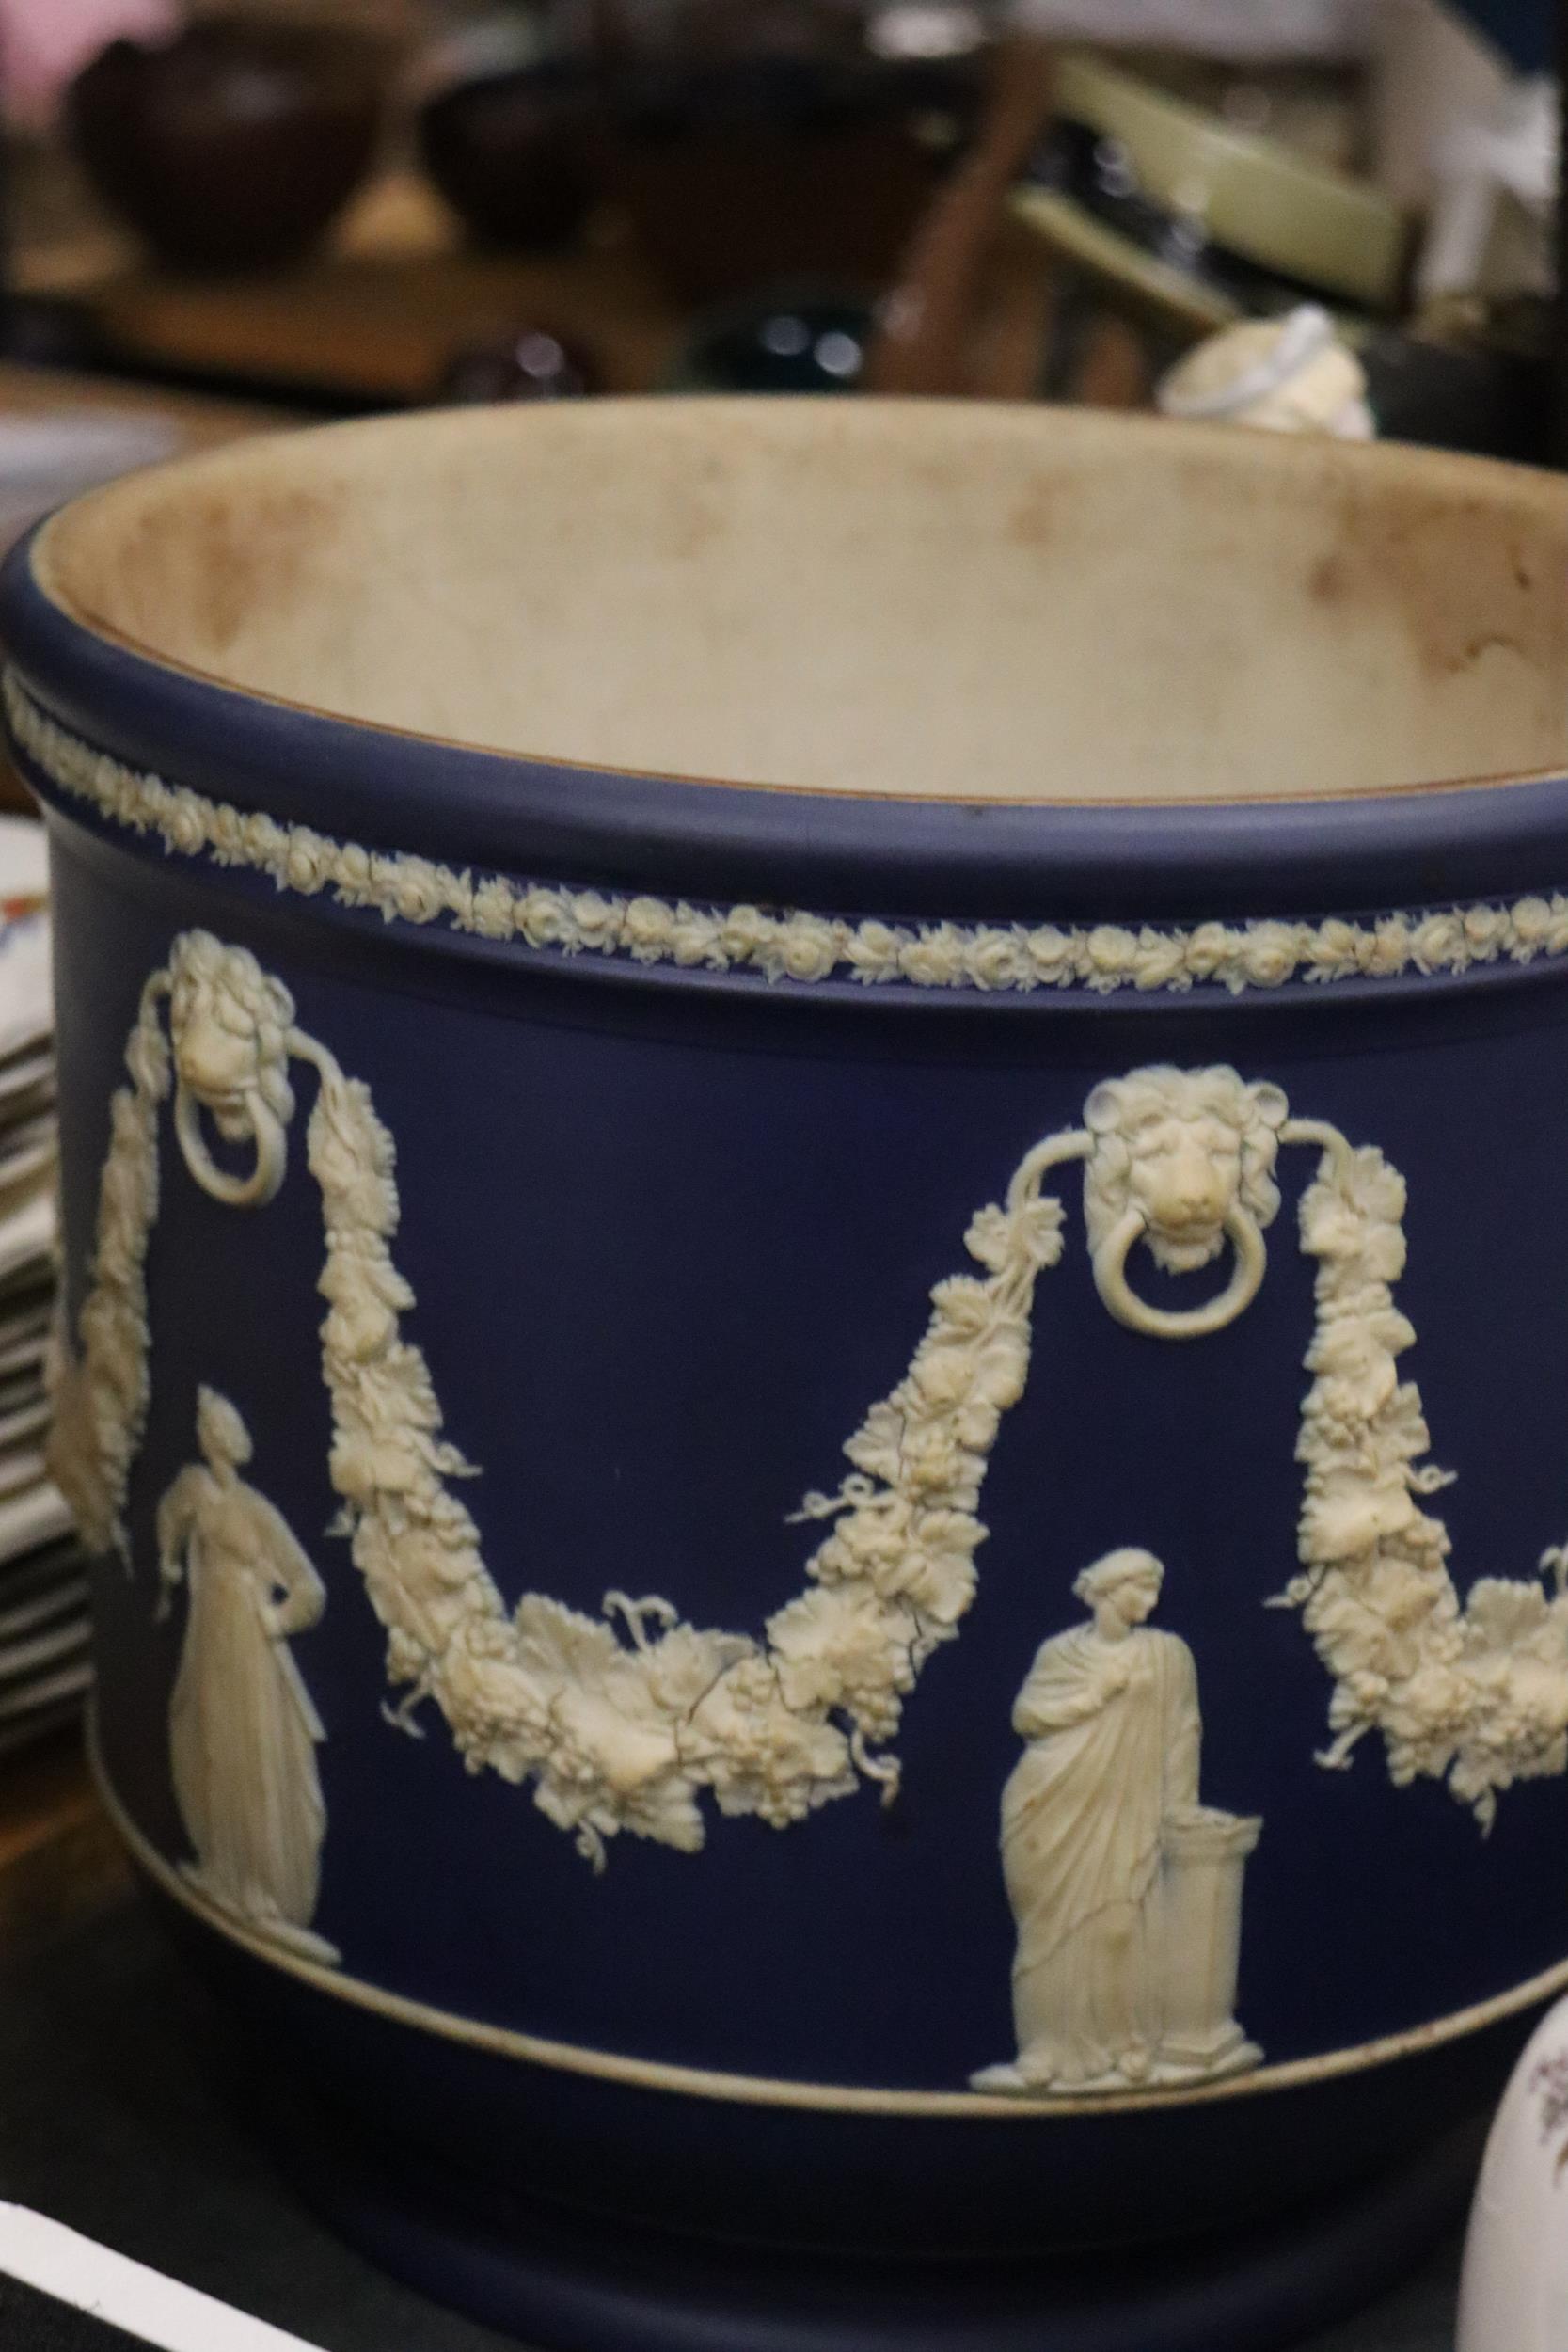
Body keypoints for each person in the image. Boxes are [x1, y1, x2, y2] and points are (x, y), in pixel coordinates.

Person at [973, 1547, 1200, 2092]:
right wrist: (1091, 1697)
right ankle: (1042, 2050)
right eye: (1138, 1588)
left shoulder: (1169, 1654)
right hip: (1050, 1800)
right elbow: (1026, 1715)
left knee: (1120, 1927)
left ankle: (1125, 2041)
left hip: (1128, 1806)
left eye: (1153, 1589)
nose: (1149, 1600)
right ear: (1105, 1590)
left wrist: (1181, 1808)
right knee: (1045, 1932)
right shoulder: (1061, 1653)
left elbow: (1183, 1731)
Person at [157, 1386, 337, 1965]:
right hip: (211, 1635)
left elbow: (310, 1587)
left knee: (255, 1759)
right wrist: (166, 1558)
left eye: (228, 1432)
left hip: (251, 1645)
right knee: (217, 1747)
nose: (224, 1441)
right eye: (220, 1432)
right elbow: (169, 1516)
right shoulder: (197, 1491)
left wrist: (275, 1617)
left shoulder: (257, 1510)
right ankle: (224, 1873)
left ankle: (262, 1896)